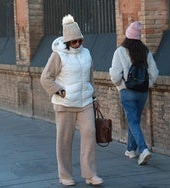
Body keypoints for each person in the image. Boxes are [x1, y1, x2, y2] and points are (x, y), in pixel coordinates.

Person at [40, 14, 103, 186]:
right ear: (67, 41)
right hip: (65, 104)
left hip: (85, 103)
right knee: (64, 141)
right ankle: (65, 176)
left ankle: (90, 175)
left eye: (79, 40)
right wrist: (59, 91)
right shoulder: (58, 55)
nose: (77, 44)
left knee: (89, 136)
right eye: (74, 41)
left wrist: (94, 96)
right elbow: (45, 78)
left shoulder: (86, 54)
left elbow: (90, 77)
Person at [109, 21, 159, 165]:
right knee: (135, 119)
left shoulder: (120, 51)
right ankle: (131, 149)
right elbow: (154, 74)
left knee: (132, 120)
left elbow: (116, 76)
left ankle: (143, 149)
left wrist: (121, 85)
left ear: (127, 36)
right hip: (143, 93)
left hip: (128, 92)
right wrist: (146, 84)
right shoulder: (145, 51)